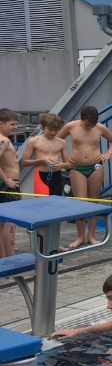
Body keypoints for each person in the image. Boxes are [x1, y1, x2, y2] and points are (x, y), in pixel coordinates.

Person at [57, 106, 112, 249]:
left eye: (92, 124)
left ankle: (91, 235)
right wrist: (64, 159)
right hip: (77, 167)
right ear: (81, 118)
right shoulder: (71, 126)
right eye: (87, 124)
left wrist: (108, 153)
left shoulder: (100, 128)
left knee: (93, 200)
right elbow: (57, 141)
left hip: (95, 166)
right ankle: (80, 236)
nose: (90, 127)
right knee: (80, 202)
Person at [21, 113, 69, 197]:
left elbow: (68, 164)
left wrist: (61, 165)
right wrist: (41, 160)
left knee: (56, 203)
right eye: (50, 129)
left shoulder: (61, 142)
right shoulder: (34, 141)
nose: (53, 132)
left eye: (56, 130)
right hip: (41, 175)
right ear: (42, 127)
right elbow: (24, 162)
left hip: (56, 175)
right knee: (42, 203)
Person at [0, 109, 20, 258]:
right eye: (12, 124)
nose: (15, 127)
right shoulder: (4, 140)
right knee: (9, 223)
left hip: (6, 184)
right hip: (8, 184)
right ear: (1, 124)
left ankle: (3, 259)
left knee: (1, 224)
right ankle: (10, 259)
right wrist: (7, 180)